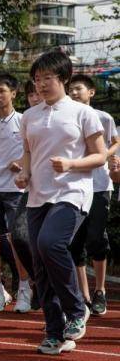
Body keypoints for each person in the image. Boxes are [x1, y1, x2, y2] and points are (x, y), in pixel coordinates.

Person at [15, 51, 106, 355]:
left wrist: (70, 164)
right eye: (37, 79)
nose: (40, 84)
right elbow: (28, 152)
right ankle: (54, 331)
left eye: (47, 78)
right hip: (37, 195)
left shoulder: (83, 113)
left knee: (50, 243)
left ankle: (77, 310)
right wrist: (25, 174)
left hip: (72, 192)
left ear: (64, 78)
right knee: (41, 264)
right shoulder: (30, 116)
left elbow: (100, 155)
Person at [0, 74, 33, 313]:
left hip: (15, 188)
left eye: (2, 91)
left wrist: (20, 163)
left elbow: (31, 151)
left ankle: (24, 288)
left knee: (15, 239)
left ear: (14, 93)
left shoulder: (24, 121)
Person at [68, 74, 118, 316]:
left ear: (91, 93)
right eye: (71, 89)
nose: (74, 93)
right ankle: (84, 295)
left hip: (99, 185)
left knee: (96, 237)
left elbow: (116, 141)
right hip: (74, 186)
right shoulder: (65, 117)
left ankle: (101, 291)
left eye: (78, 89)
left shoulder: (103, 117)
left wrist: (105, 155)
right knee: (74, 242)